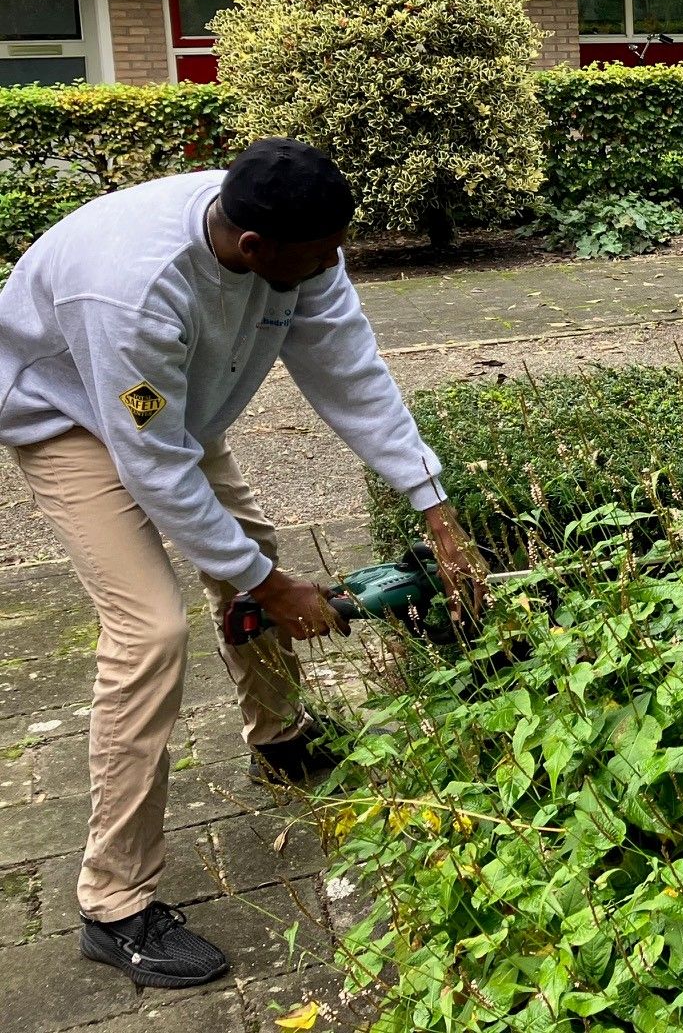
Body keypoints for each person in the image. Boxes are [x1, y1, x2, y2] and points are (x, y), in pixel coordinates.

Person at [0, 138, 486, 990]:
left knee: (249, 550)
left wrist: (437, 511)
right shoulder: (134, 289)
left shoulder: (297, 237)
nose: (333, 267)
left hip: (170, 407)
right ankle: (114, 906)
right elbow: (150, 462)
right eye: (319, 258)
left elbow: (352, 374)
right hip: (67, 413)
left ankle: (279, 737)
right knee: (150, 628)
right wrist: (276, 592)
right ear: (255, 250)